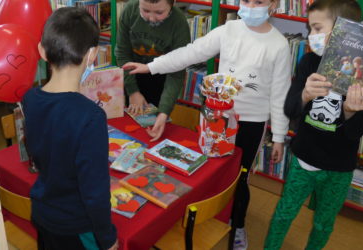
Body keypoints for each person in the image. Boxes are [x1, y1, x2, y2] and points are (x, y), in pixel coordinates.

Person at [123, 0, 291, 248]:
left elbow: (280, 92)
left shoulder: (278, 45)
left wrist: (278, 136)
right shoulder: (228, 30)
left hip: (251, 123)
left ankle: (238, 225)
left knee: (239, 178)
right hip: (216, 118)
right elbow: (189, 53)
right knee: (211, 170)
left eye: (259, 1)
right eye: (246, 0)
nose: (251, 6)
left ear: (273, 4)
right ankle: (207, 214)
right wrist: (150, 66)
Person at [264, 1, 363, 249]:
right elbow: (290, 109)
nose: (310, 36)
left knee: (324, 223)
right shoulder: (308, 62)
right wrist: (304, 94)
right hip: (304, 159)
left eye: (316, 28)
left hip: (340, 167)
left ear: (342, 32)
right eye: (309, 28)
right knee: (284, 213)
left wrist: (348, 111)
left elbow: (357, 131)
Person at [22, 7, 118, 250]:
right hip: (76, 227)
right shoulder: (91, 117)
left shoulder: (30, 99)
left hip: (44, 215)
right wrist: (107, 239)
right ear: (92, 54)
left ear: (42, 51)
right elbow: (95, 193)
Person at [115, 0, 190, 141]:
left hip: (161, 79)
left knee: (153, 127)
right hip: (130, 74)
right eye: (145, 10)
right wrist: (133, 91)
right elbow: (122, 54)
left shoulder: (179, 23)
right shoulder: (129, 11)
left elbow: (177, 73)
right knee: (126, 129)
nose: (151, 18)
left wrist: (164, 112)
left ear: (172, 4)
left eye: (159, 12)